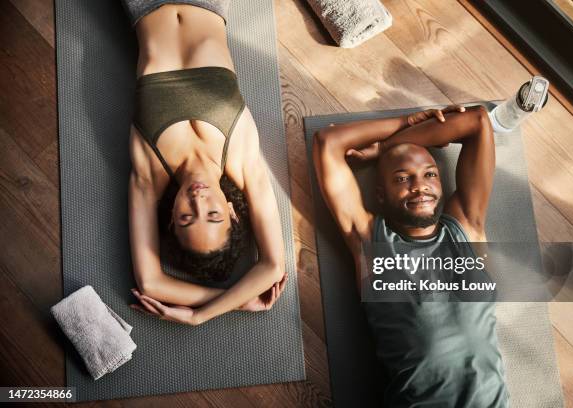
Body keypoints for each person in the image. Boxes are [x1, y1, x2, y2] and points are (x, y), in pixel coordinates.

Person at [312, 105, 509, 407]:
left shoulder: (466, 227)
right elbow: (328, 142)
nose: (420, 186)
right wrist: (403, 123)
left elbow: (477, 120)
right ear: (380, 194)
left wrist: (386, 146)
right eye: (402, 179)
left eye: (430, 174)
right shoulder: (371, 243)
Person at [124, 1, 287, 325]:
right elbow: (273, 267)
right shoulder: (243, 161)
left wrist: (201, 314)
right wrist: (225, 306)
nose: (198, 201)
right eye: (213, 215)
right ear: (231, 211)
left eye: (186, 218)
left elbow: (150, 283)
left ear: (171, 219)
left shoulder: (149, 173)